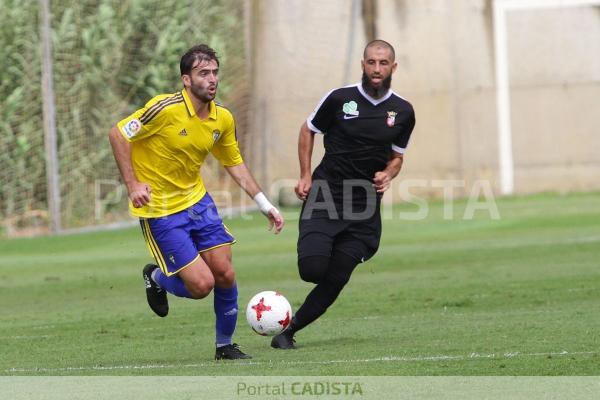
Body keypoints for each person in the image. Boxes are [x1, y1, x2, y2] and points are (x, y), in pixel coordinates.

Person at [109, 44, 284, 360]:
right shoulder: (163, 109)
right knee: (202, 286)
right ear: (186, 80)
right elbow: (118, 134)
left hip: (198, 203)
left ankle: (225, 346)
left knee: (225, 274)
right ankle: (156, 278)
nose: (212, 79)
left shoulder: (222, 118)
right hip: (160, 211)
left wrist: (265, 204)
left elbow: (234, 162)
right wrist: (133, 184)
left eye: (215, 72)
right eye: (204, 73)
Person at [271, 40, 415, 349]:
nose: (377, 69)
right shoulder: (340, 99)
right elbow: (308, 129)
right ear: (363, 64)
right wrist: (305, 174)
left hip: (363, 209)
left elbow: (398, 157)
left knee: (337, 275)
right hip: (325, 195)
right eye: (372, 62)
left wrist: (388, 173)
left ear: (394, 67)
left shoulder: (403, 111)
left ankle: (287, 332)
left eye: (384, 63)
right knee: (312, 270)